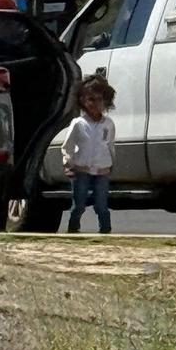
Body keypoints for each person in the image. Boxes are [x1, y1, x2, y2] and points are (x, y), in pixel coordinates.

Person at [61, 74, 116, 235]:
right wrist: (68, 163)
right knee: (79, 204)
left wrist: (111, 164)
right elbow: (68, 146)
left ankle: (105, 231)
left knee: (101, 205)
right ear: (82, 101)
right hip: (81, 170)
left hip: (102, 171)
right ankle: (73, 228)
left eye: (99, 99)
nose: (95, 104)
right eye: (90, 99)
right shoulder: (78, 124)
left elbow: (110, 145)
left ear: (106, 101)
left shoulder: (108, 124)